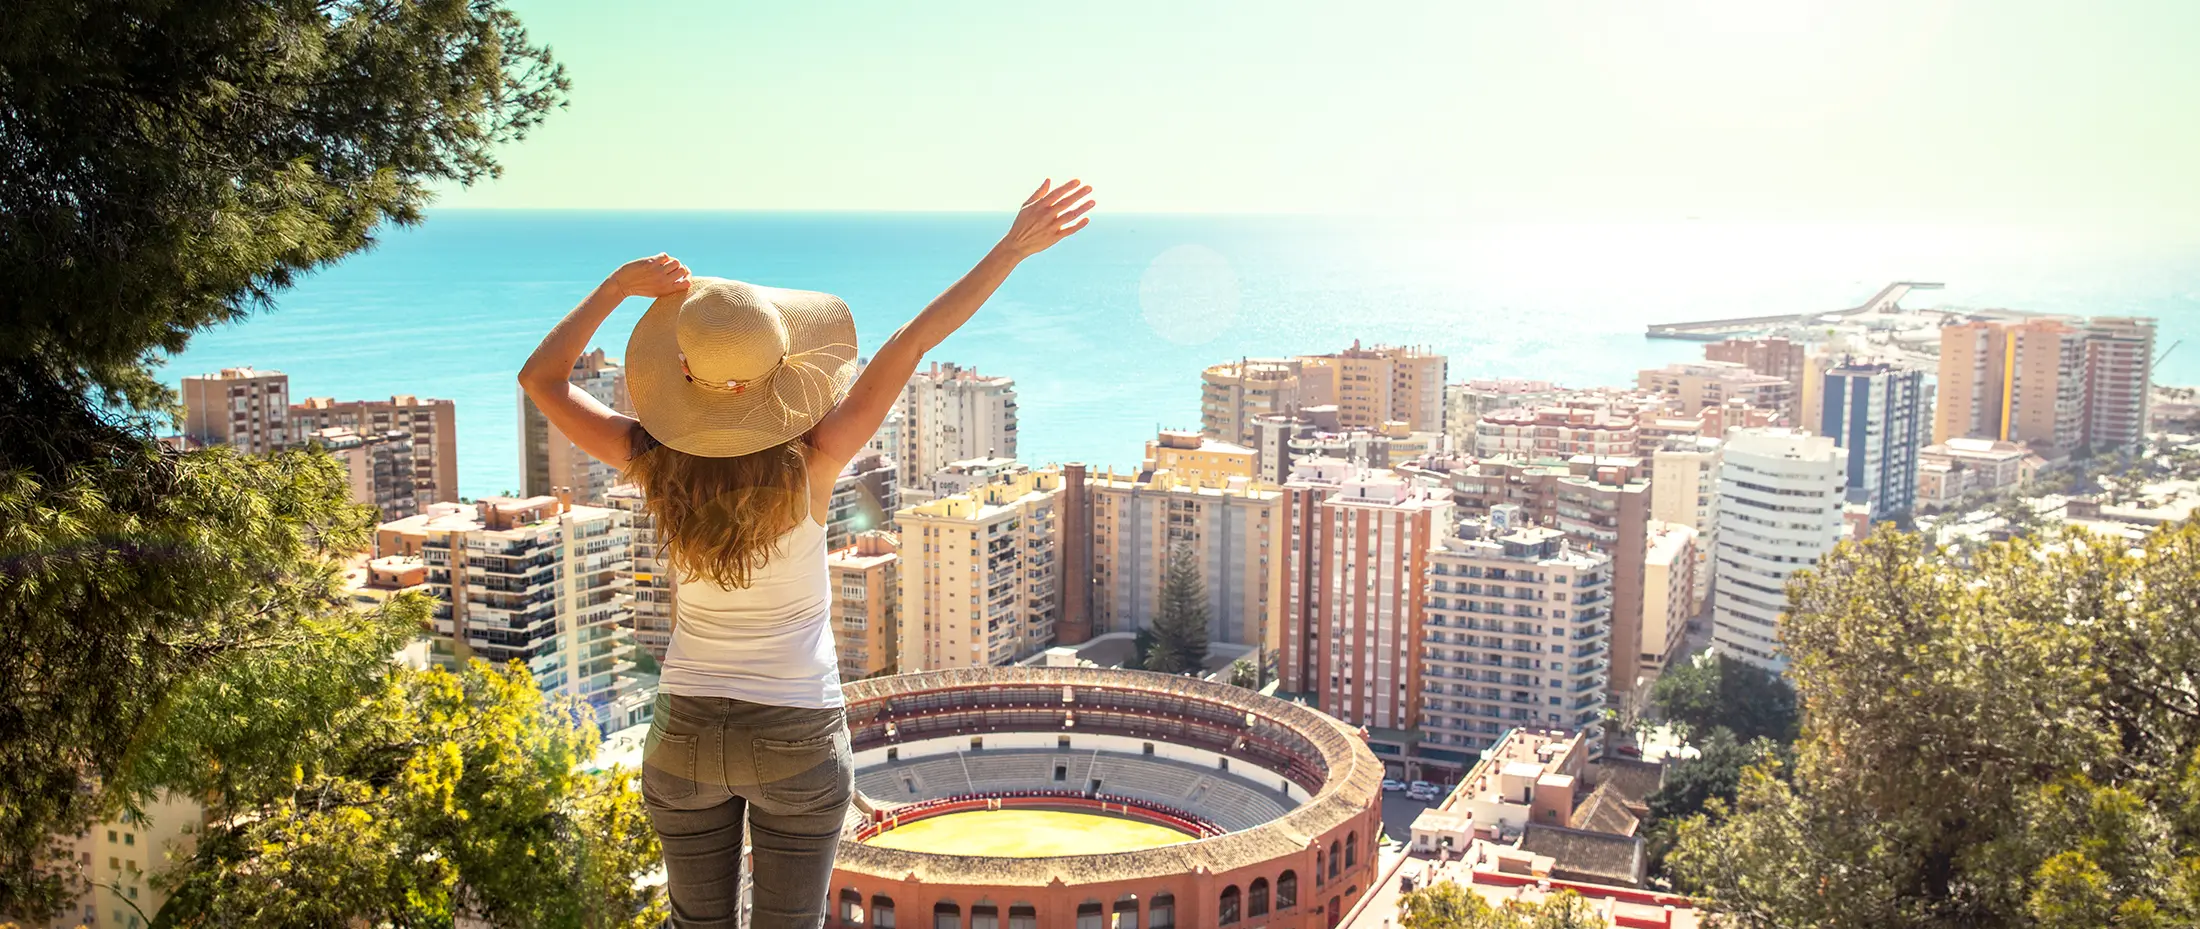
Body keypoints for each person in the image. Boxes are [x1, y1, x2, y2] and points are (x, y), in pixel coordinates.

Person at [517, 179, 1096, 928]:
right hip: (796, 734)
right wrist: (1012, 248)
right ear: (780, 372)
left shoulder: (647, 456)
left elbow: (541, 377)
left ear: (681, 374)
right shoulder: (815, 457)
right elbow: (913, 340)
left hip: (682, 736)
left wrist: (615, 288)